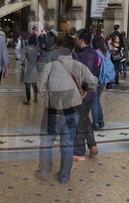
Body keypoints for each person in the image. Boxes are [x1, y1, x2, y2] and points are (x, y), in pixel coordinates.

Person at [36, 33, 92, 185]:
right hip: (72, 110)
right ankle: (64, 176)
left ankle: (45, 172)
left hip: (53, 111)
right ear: (72, 50)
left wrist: (46, 90)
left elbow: (40, 88)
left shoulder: (50, 65)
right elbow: (94, 82)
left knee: (47, 141)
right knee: (67, 143)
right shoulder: (79, 66)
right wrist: (84, 92)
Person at [21, 34, 41, 105]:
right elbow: (39, 57)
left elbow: (22, 59)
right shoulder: (37, 48)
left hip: (27, 68)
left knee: (27, 85)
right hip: (35, 68)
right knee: (34, 83)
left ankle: (28, 101)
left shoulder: (26, 48)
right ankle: (36, 98)